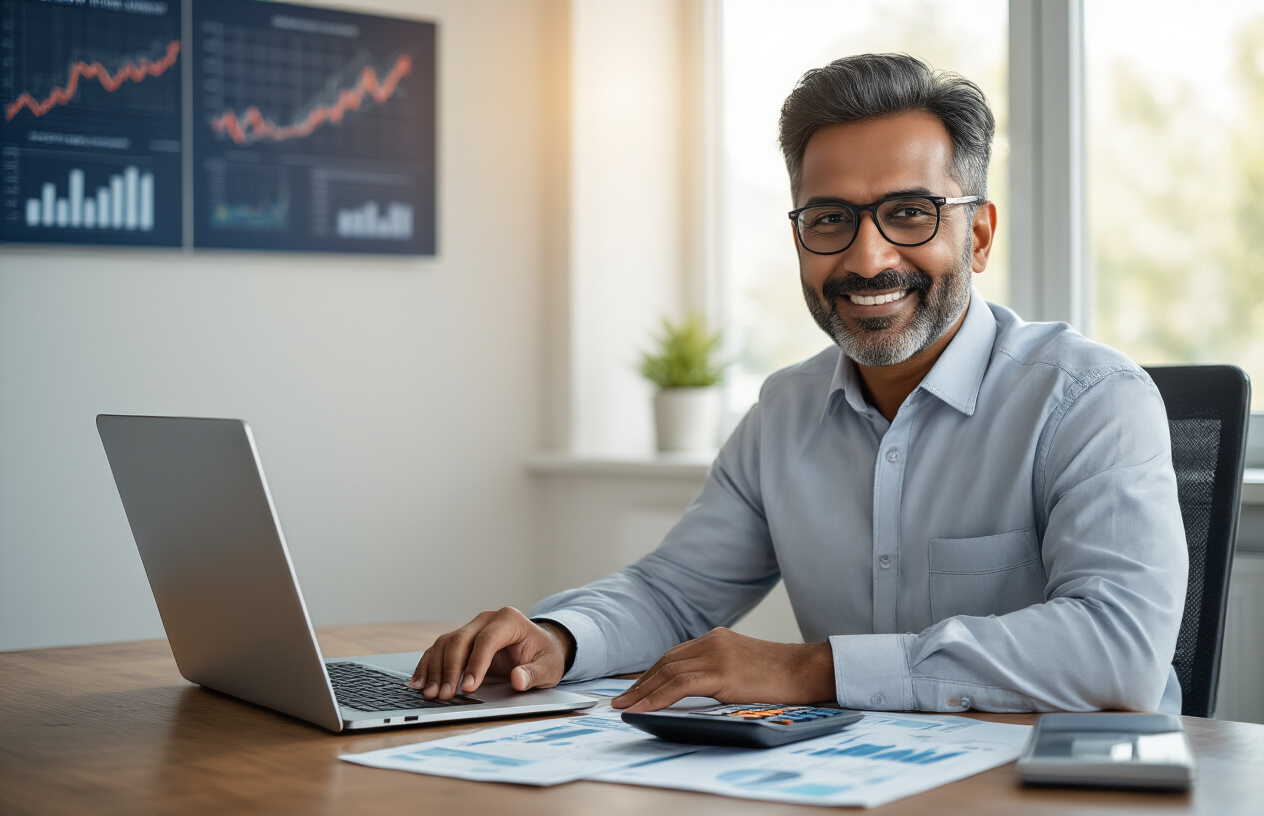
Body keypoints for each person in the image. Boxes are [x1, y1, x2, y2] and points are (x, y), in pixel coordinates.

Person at [409, 53, 1188, 715]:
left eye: (910, 213)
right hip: (858, 779)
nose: (868, 258)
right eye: (830, 219)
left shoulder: (1090, 400)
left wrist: (811, 668)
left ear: (978, 236)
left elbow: (1117, 651)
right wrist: (559, 637)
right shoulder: (785, 412)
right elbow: (676, 594)